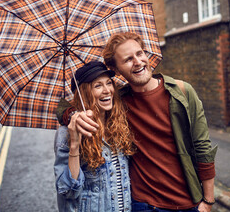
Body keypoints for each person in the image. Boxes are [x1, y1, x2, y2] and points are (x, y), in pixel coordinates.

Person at [56, 32, 218, 212]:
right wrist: (72, 115)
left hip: (188, 201)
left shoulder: (182, 92)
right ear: (117, 70)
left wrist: (208, 200)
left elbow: (203, 148)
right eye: (128, 59)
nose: (138, 62)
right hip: (143, 204)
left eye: (140, 54)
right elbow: (67, 104)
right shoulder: (120, 101)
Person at [54, 61, 135, 212]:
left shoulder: (118, 124)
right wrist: (74, 144)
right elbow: (68, 191)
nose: (107, 90)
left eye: (109, 83)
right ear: (85, 92)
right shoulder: (67, 132)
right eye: (98, 86)